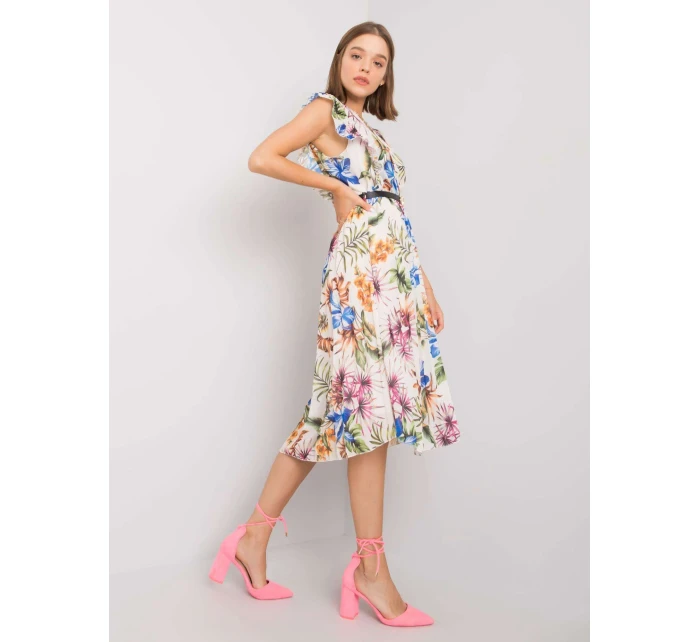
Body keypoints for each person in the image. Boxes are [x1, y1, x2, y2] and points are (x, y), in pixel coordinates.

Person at [209, 21, 461, 627]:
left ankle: (253, 538)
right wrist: (332, 186)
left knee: (336, 412)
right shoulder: (325, 112)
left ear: (386, 75)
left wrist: (423, 285)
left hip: (394, 279)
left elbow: (392, 215)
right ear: (340, 60)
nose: (366, 67)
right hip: (358, 280)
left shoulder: (371, 129)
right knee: (367, 413)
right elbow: (262, 157)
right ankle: (371, 569)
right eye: (357, 55)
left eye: (378, 61)